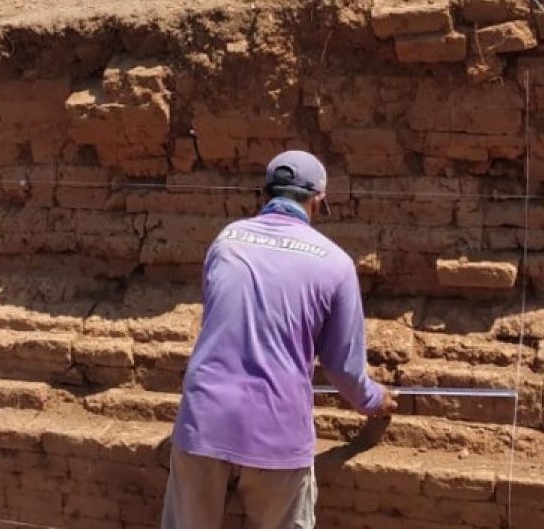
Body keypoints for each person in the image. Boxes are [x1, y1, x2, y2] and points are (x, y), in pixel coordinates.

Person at [162, 150, 396, 529]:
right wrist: (374, 400)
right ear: (319, 200)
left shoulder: (226, 241)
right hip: (277, 435)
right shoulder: (335, 263)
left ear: (265, 193)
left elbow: (216, 319)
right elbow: (342, 367)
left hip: (203, 422)